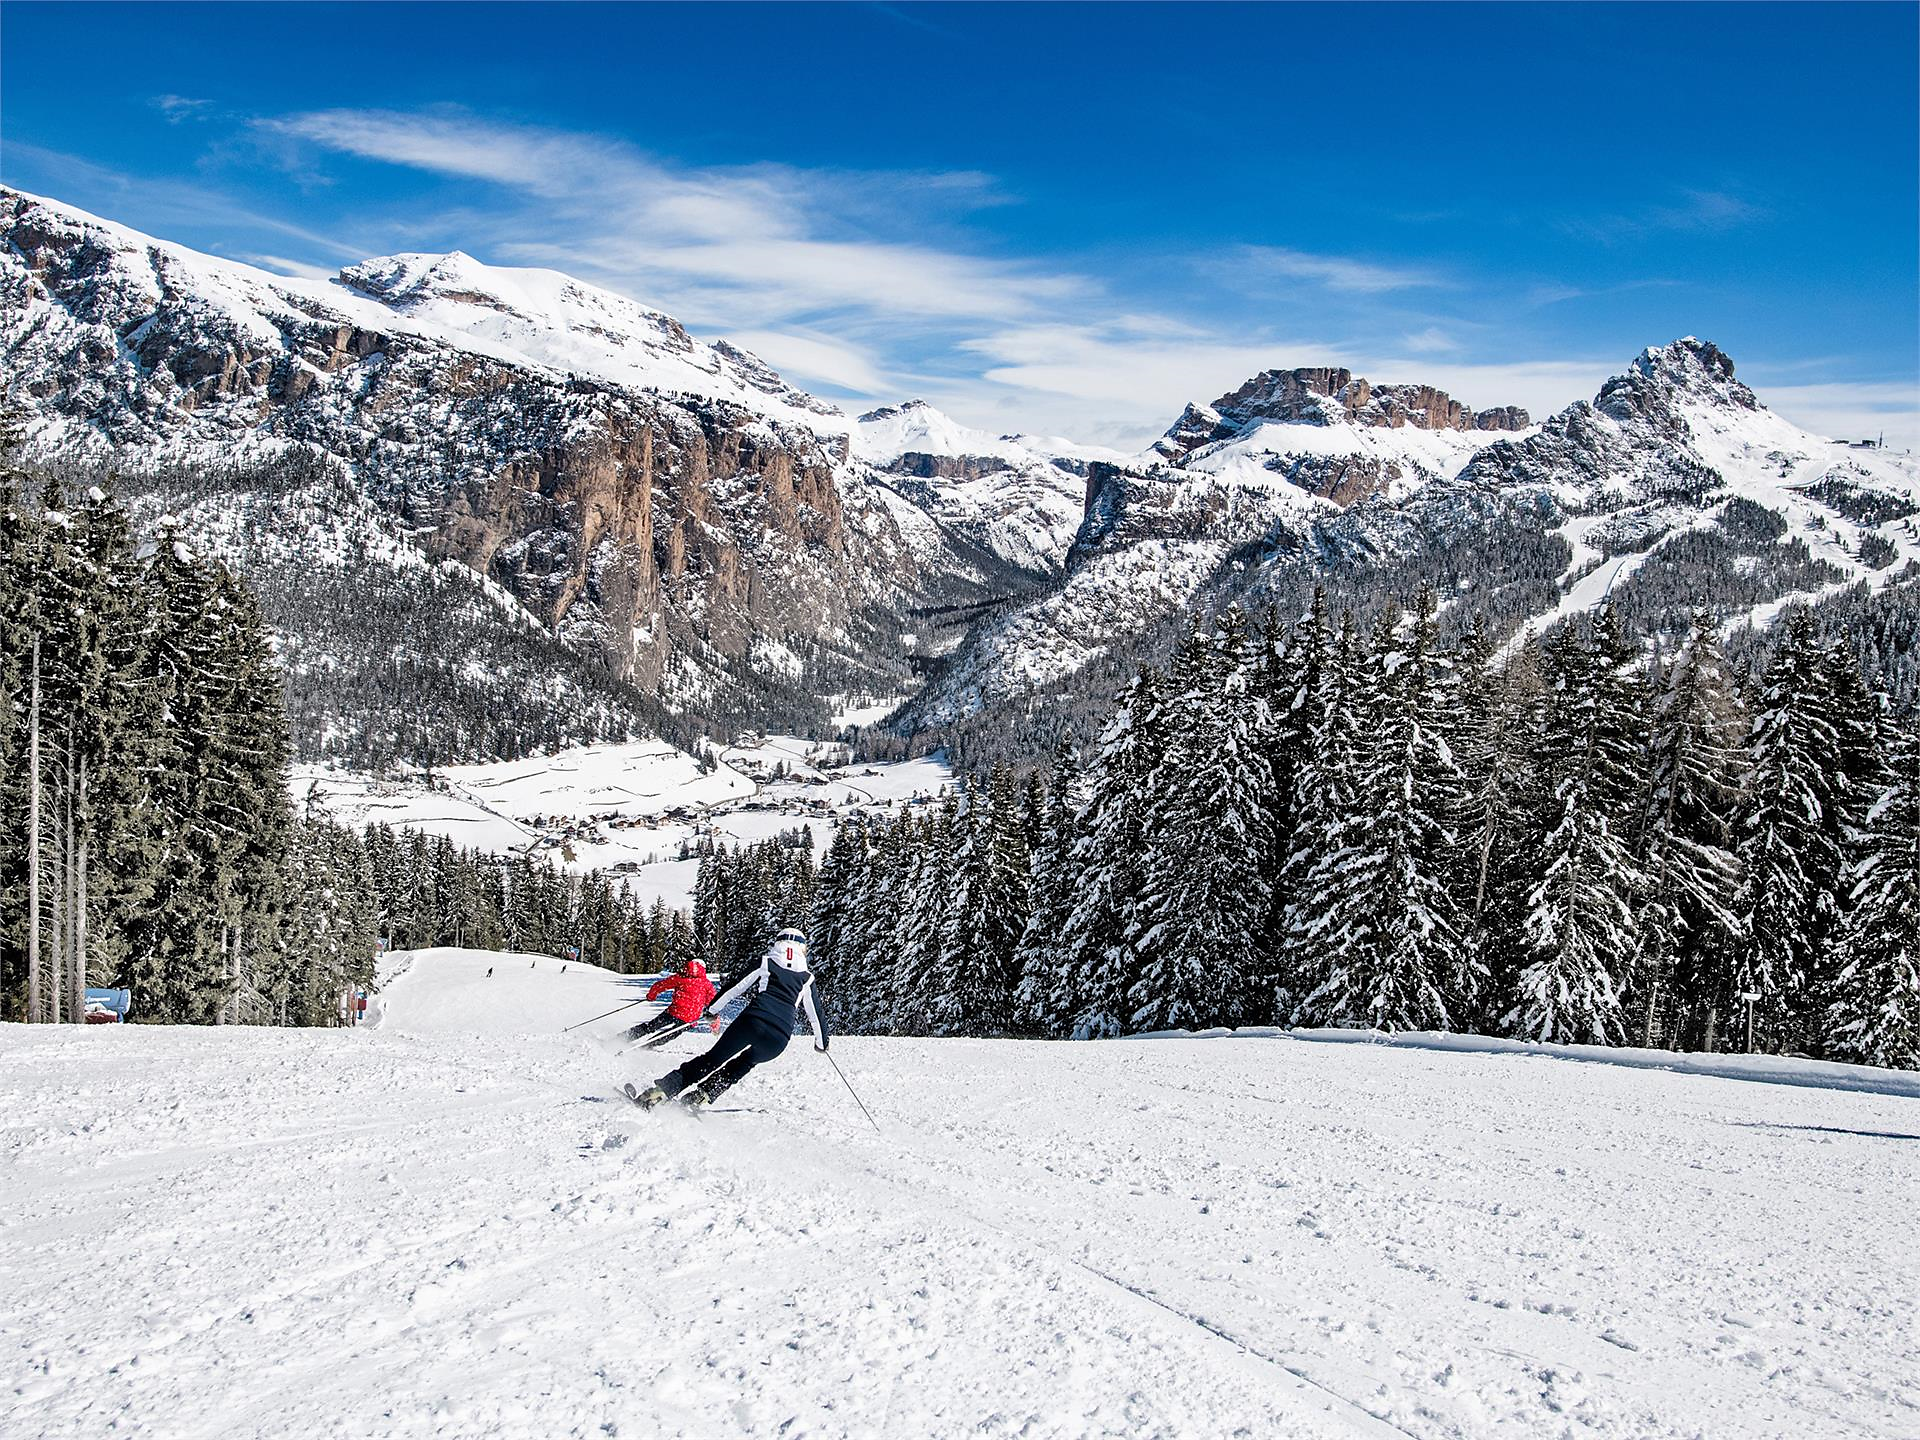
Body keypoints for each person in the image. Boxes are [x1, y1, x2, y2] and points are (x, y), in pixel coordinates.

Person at [627, 928, 827, 1111]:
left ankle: (660, 1092)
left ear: (778, 944)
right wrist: (822, 1043)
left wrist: (713, 1010)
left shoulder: (766, 962)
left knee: (712, 1059)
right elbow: (816, 1014)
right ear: (802, 949)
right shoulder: (807, 978)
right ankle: (701, 1096)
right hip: (779, 1038)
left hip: (752, 1021)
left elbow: (736, 987)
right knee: (743, 1065)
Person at [623, 959, 718, 1049]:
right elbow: (714, 1005)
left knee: (651, 1026)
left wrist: (651, 996)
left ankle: (625, 1037)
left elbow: (660, 985)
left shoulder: (680, 978)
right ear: (703, 969)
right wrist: (714, 1026)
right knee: (670, 1033)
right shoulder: (707, 985)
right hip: (690, 1018)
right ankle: (649, 1044)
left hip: (674, 1012)